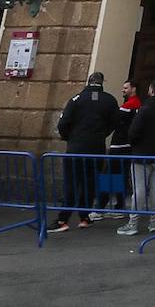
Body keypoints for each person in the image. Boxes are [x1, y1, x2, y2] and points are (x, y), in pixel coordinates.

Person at [48, 72, 119, 233]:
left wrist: (70, 137)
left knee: (71, 184)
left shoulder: (76, 99)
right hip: (96, 148)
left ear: (88, 81)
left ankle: (63, 219)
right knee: (90, 183)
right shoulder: (110, 100)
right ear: (102, 82)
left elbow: (63, 123)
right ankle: (84, 217)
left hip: (76, 148)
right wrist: (102, 134)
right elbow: (115, 122)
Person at [119, 78, 155, 236]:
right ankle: (153, 222)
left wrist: (135, 144)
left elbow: (133, 132)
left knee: (139, 190)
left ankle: (133, 223)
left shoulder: (145, 109)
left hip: (142, 154)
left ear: (151, 90)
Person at [92, 79, 140, 220]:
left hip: (119, 146)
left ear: (133, 89)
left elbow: (114, 120)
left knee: (108, 176)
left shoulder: (129, 105)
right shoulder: (136, 104)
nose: (123, 90)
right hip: (126, 146)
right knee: (120, 177)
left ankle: (100, 208)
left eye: (126, 88)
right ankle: (119, 206)